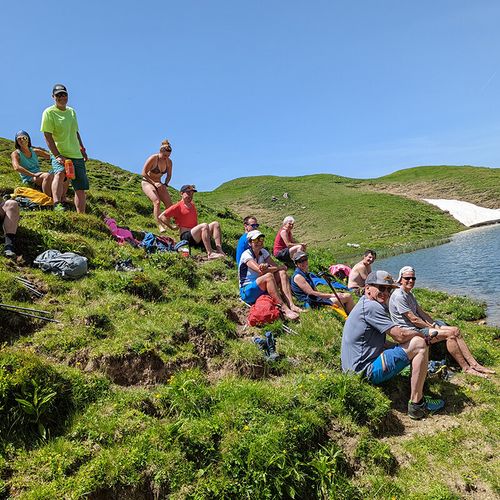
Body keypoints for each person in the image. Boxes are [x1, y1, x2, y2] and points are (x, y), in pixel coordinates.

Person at [341, 270, 445, 420]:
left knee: (413, 344)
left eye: (389, 289)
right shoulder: (372, 307)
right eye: (381, 288)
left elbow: (381, 342)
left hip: (354, 369)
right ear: (368, 287)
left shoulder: (365, 304)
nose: (386, 292)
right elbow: (399, 335)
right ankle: (417, 404)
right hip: (364, 372)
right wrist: (422, 334)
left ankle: (418, 388)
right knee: (419, 344)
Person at [389, 266, 495, 378]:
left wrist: (434, 324)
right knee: (449, 334)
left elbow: (421, 313)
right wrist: (433, 328)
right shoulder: (399, 296)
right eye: (407, 278)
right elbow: (414, 319)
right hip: (410, 332)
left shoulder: (409, 294)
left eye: (413, 278)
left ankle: (474, 364)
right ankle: (466, 368)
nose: (411, 280)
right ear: (400, 279)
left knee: (456, 331)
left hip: (417, 328)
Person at [41, 84, 89, 213]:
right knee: (59, 173)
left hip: (76, 153)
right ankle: (57, 204)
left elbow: (76, 132)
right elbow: (47, 135)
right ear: (53, 97)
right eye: (58, 95)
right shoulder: (49, 112)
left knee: (80, 186)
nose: (62, 97)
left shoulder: (72, 111)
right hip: (60, 152)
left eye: (64, 94)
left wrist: (82, 148)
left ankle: (82, 215)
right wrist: (56, 155)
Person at [239, 230, 300, 320]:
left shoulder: (263, 252)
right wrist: (278, 267)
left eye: (261, 239)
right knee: (269, 276)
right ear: (249, 243)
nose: (259, 242)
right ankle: (284, 309)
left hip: (260, 285)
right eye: (255, 240)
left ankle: (291, 304)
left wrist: (273, 268)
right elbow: (260, 271)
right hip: (247, 291)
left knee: (282, 273)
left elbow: (274, 266)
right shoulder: (246, 255)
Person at [159, 184, 225, 259]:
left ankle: (219, 250)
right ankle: (210, 253)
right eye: (188, 193)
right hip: (186, 237)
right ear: (181, 193)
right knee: (204, 225)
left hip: (196, 236)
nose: (190, 195)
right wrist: (172, 227)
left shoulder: (192, 205)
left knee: (215, 224)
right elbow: (161, 216)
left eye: (192, 193)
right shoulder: (178, 206)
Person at [11, 131, 67, 206]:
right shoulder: (16, 153)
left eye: (24, 138)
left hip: (38, 174)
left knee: (60, 174)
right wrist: (32, 174)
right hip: (29, 177)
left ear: (28, 139)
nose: (22, 140)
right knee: (46, 176)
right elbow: (16, 167)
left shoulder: (35, 151)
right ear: (16, 141)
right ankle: (49, 200)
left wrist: (61, 158)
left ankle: (62, 199)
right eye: (19, 139)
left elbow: (51, 157)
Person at [141, 139, 173, 232]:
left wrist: (165, 184)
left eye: (168, 156)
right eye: (165, 155)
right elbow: (143, 173)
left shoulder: (169, 162)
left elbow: (169, 175)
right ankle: (159, 225)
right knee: (157, 202)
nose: (166, 157)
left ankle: (166, 223)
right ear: (160, 151)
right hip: (147, 182)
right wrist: (154, 183)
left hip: (159, 184)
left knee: (170, 205)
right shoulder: (153, 158)